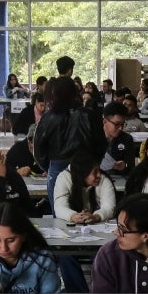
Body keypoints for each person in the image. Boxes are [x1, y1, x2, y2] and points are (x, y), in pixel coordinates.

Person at [33, 76, 102, 213]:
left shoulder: (49, 117)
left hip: (57, 166)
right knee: (87, 213)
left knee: (60, 214)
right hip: (86, 167)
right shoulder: (90, 115)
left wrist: (49, 166)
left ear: (54, 94)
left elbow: (38, 147)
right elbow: (101, 143)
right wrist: (94, 164)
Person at [54, 151, 117, 225]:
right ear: (83, 173)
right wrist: (73, 216)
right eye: (95, 172)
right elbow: (59, 207)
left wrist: (96, 216)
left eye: (99, 169)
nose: (99, 175)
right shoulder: (64, 178)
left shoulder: (103, 180)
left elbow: (110, 207)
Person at [99, 102, 135, 177]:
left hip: (118, 179)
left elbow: (131, 166)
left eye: (122, 124)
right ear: (105, 121)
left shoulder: (127, 139)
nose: (120, 128)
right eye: (117, 124)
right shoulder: (93, 137)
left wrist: (124, 165)